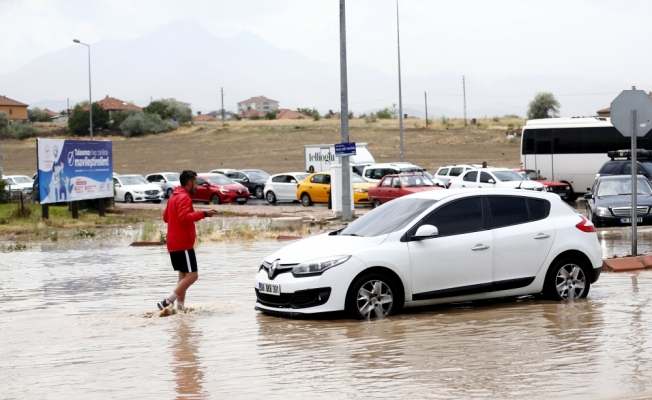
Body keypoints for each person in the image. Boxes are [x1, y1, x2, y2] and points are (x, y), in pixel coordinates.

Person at [157, 170, 217, 312]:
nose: (197, 187)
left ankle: (180, 308)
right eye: (196, 183)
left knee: (183, 276)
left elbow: (166, 218)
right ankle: (167, 301)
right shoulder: (184, 197)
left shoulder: (173, 197)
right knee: (193, 275)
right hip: (183, 243)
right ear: (189, 183)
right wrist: (204, 213)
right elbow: (184, 218)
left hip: (173, 243)